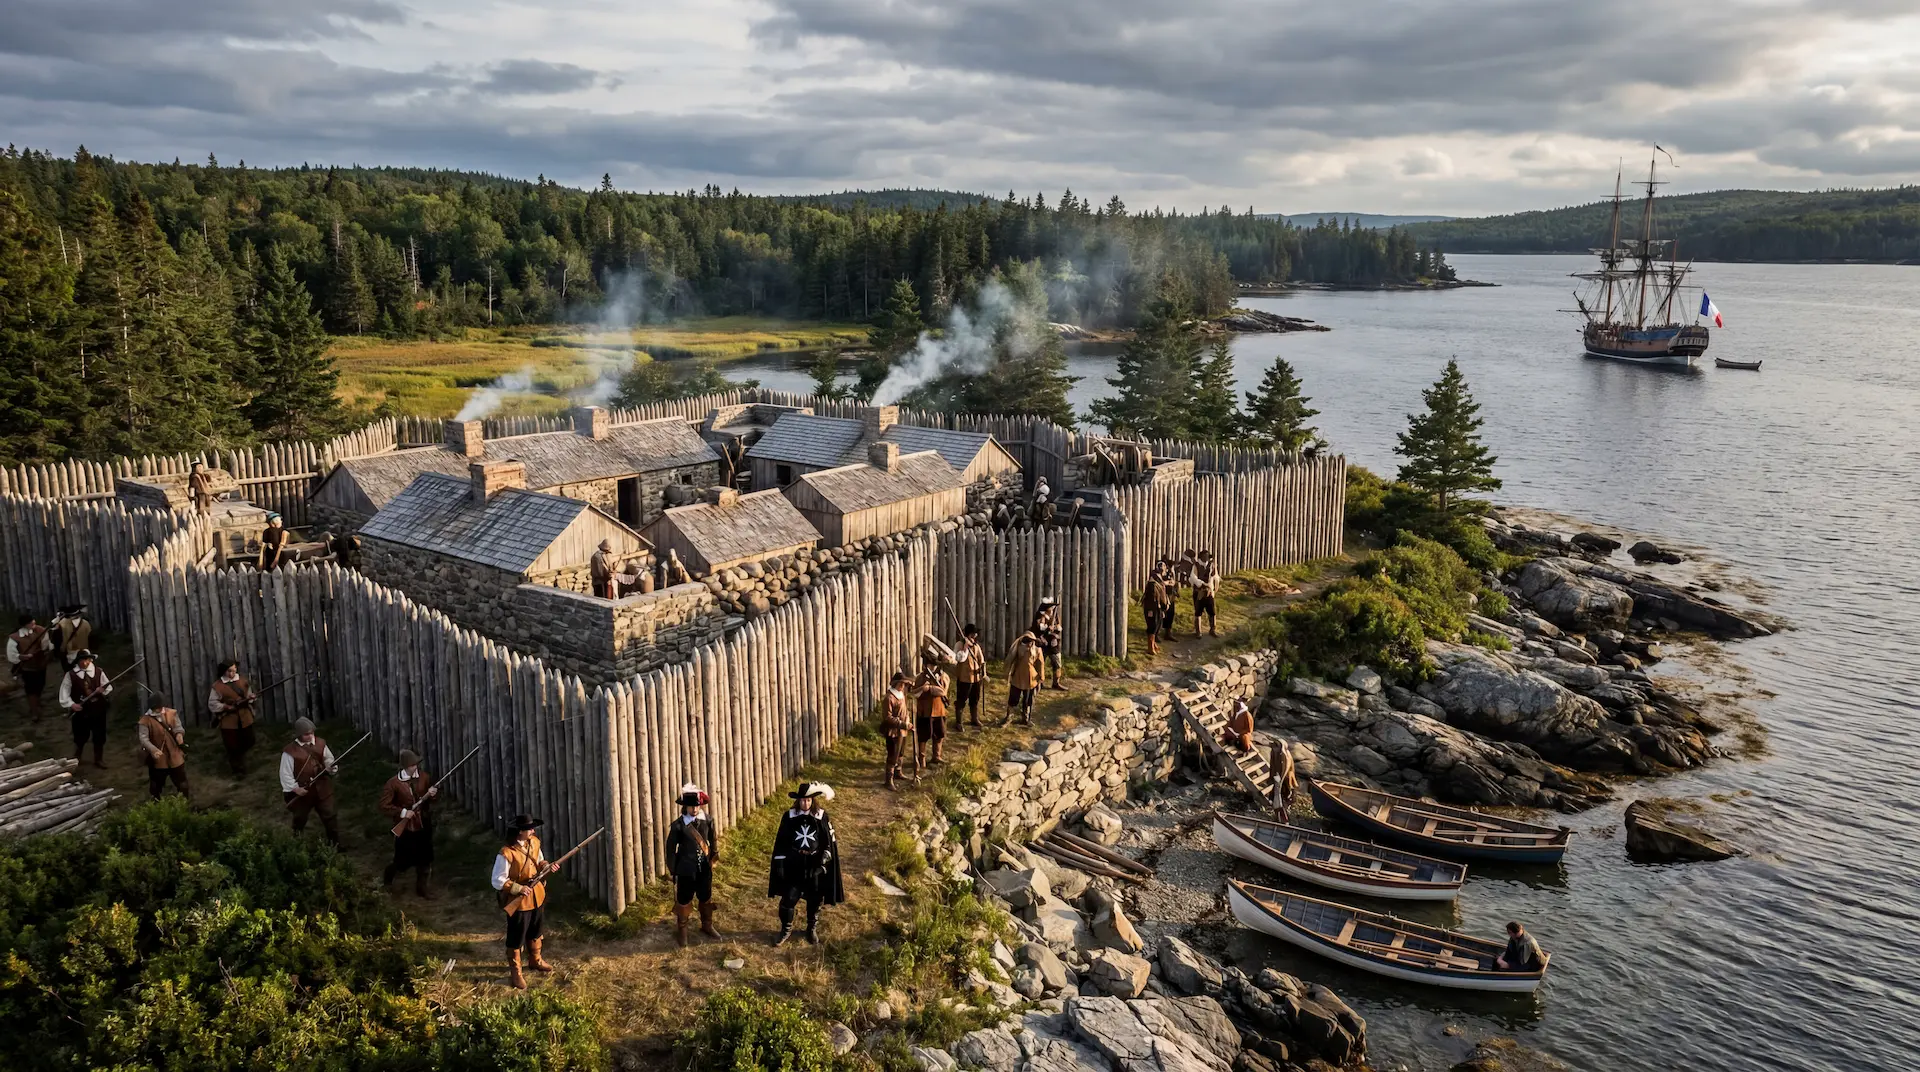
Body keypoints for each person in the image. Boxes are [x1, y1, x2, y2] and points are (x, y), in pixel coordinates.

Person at [768, 782, 843, 947]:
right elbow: (781, 841)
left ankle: (811, 929)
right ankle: (786, 930)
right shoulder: (789, 816)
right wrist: (780, 863)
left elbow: (828, 842)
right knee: (789, 898)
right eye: (802, 800)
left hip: (814, 864)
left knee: (815, 898)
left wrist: (823, 860)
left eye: (808, 800)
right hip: (794, 863)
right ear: (798, 801)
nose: (805, 803)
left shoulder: (821, 816)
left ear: (813, 800)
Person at [491, 814, 554, 989]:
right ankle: (516, 973)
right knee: (516, 936)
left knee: (536, 929)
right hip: (519, 902)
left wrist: (547, 867)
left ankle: (536, 960)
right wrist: (518, 888)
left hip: (537, 895)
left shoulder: (534, 842)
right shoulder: (506, 853)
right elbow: (497, 880)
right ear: (520, 832)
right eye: (529, 829)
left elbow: (540, 861)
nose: (533, 831)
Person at [665, 783, 721, 947]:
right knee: (684, 901)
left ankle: (707, 925)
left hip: (703, 868)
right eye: (691, 806)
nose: (694, 809)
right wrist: (673, 869)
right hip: (685, 869)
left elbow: (713, 841)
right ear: (685, 807)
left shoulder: (708, 820)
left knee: (705, 897)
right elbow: (670, 849)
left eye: (697, 806)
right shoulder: (678, 825)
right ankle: (682, 932)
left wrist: (713, 860)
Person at [379, 749, 438, 897]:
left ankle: (422, 888)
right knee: (402, 861)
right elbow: (384, 806)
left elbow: (433, 801)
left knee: (425, 858)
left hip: (423, 824)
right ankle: (388, 881)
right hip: (406, 828)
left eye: (416, 764)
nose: (415, 767)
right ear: (405, 766)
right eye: (412, 765)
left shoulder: (424, 777)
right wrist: (404, 813)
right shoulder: (393, 784)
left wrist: (433, 794)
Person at [279, 717, 341, 845]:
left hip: (322, 788)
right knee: (299, 819)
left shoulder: (320, 743)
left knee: (330, 816)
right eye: (307, 734)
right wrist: (295, 789)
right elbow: (285, 774)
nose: (310, 736)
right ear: (299, 734)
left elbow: (328, 758)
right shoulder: (290, 752)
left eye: (312, 733)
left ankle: (335, 845)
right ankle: (296, 845)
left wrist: (330, 766)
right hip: (303, 792)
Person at [60, 649, 112, 769]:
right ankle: (78, 755)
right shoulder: (71, 675)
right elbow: (64, 693)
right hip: (81, 711)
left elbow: (108, 687)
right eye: (82, 660)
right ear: (78, 661)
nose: (85, 663)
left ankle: (98, 759)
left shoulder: (98, 672)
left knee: (99, 734)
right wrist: (72, 705)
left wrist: (102, 690)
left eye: (87, 660)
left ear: (91, 660)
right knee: (80, 734)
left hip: (98, 709)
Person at [207, 660, 258, 776]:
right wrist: (225, 706)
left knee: (250, 740)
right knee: (232, 746)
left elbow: (249, 696)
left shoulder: (243, 681)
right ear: (224, 671)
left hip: (245, 717)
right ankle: (238, 770)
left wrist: (251, 698)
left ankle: (240, 756)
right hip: (229, 720)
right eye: (229, 671)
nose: (232, 673)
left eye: (234, 670)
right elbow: (212, 703)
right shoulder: (217, 686)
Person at [137, 698, 190, 801]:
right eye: (156, 707)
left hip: (174, 753)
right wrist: (153, 750)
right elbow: (144, 738)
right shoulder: (145, 720)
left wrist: (179, 735)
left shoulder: (171, 713)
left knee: (181, 781)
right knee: (156, 784)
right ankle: (157, 804)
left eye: (159, 707)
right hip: (158, 757)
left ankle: (184, 803)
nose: (158, 709)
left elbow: (178, 727)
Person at [8, 612, 54, 719]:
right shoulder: (15, 637)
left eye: (33, 620)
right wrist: (22, 657)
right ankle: (34, 712)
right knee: (30, 688)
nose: (33, 622)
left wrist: (46, 650)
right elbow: (12, 655)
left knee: (40, 685)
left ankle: (36, 702)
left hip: (41, 665)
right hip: (27, 667)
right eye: (30, 622)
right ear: (24, 625)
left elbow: (46, 645)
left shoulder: (41, 630)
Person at [951, 624, 986, 731]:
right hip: (964, 678)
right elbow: (958, 658)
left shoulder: (976, 646)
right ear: (969, 634)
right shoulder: (959, 645)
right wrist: (965, 648)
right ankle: (959, 722)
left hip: (976, 678)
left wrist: (983, 673)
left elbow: (982, 660)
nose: (975, 636)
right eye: (973, 634)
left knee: (975, 699)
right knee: (961, 700)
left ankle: (974, 718)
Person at [1005, 631, 1044, 727]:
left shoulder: (1037, 650)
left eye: (1031, 641)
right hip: (1018, 677)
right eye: (1028, 640)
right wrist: (1007, 673)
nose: (1030, 643)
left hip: (1031, 678)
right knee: (1013, 698)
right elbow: (1010, 659)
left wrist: (1041, 676)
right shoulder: (1018, 648)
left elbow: (1040, 663)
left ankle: (1026, 718)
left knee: (1028, 700)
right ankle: (1009, 717)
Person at [915, 660, 948, 769]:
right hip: (925, 711)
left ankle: (936, 756)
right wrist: (923, 689)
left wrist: (930, 689)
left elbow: (943, 692)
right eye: (931, 664)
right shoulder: (920, 677)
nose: (933, 667)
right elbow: (916, 693)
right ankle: (921, 758)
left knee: (939, 734)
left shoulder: (943, 676)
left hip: (939, 710)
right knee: (923, 736)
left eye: (935, 665)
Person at [881, 672, 911, 790]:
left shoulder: (901, 695)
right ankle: (889, 780)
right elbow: (888, 717)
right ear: (895, 684)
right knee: (893, 754)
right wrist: (903, 724)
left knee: (901, 752)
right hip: (892, 731)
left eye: (904, 684)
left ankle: (898, 772)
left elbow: (905, 711)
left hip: (902, 730)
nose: (903, 686)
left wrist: (907, 721)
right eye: (901, 684)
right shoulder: (889, 698)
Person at [1033, 597, 1064, 690]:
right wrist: (1047, 628)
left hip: (1053, 643)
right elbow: (1039, 627)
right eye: (1050, 607)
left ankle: (1056, 683)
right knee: (1039, 663)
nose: (1052, 608)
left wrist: (1054, 628)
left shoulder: (1054, 615)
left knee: (1057, 664)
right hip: (1042, 643)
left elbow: (1059, 626)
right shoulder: (1040, 615)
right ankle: (1038, 682)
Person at [53, 605, 91, 671]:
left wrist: (57, 653)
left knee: (70, 675)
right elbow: (90, 638)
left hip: (68, 653)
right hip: (84, 653)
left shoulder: (61, 624)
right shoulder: (86, 624)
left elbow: (57, 640)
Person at [1192, 550, 1220, 637]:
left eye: (1207, 556)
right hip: (1199, 591)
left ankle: (1212, 629)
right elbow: (1193, 578)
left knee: (1212, 611)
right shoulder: (1196, 566)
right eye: (1205, 556)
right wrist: (1202, 584)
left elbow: (1215, 578)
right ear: (1201, 557)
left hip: (1209, 592)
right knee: (1198, 612)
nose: (1206, 557)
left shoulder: (1211, 566)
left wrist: (1214, 589)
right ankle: (1198, 631)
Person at [1141, 569, 1168, 656]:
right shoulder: (1152, 585)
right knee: (1152, 626)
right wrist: (1151, 611)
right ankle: (1150, 647)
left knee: (1157, 625)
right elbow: (1151, 601)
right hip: (1152, 609)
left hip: (1157, 609)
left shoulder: (1158, 585)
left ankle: (1153, 644)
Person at [1271, 738, 1298, 823]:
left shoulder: (1285, 756)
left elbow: (1285, 770)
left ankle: (1283, 819)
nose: (1274, 748)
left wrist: (1279, 783)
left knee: (1283, 800)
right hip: (1278, 779)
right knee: (1276, 799)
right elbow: (1273, 768)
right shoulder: (1275, 754)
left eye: (1276, 746)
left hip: (1285, 781)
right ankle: (1279, 817)